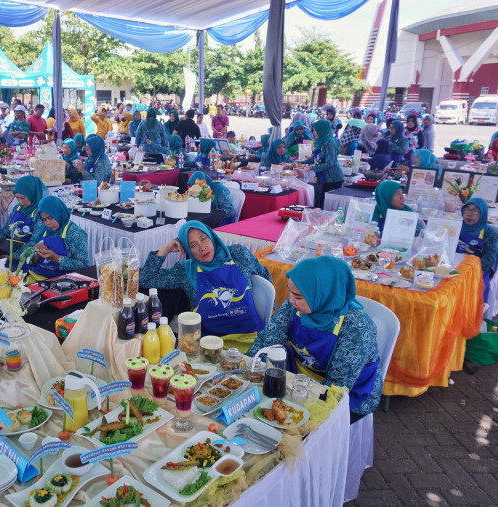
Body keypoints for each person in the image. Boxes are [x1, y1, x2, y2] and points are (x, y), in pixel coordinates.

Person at [247, 256, 383, 419]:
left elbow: (337, 388)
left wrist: (295, 400)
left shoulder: (357, 326)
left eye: (298, 296)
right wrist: (250, 369)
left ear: (323, 294)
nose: (291, 300)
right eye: (290, 292)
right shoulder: (294, 306)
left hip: (349, 391)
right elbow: (267, 340)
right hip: (301, 375)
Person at [141, 221, 272, 351]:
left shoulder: (239, 254)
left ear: (211, 235)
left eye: (203, 238)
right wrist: (166, 249)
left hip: (251, 339)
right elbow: (145, 279)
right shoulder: (185, 271)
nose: (202, 247)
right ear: (187, 250)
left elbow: (264, 274)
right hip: (209, 345)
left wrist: (272, 308)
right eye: (193, 245)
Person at [25, 194, 89, 282]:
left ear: (58, 213)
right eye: (44, 219)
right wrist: (36, 255)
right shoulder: (43, 229)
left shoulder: (74, 233)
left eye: (50, 218)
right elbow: (30, 259)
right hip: (36, 277)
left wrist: (57, 259)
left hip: (62, 282)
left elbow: (83, 265)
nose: (48, 223)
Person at [0, 175, 48, 258]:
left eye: (23, 198)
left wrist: (13, 257)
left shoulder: (41, 214)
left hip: (25, 256)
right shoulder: (18, 208)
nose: (20, 201)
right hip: (7, 250)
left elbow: (34, 242)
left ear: (32, 195)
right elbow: (5, 230)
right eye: (17, 198)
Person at [458, 198, 498, 302]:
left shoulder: (490, 234)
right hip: (451, 270)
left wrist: (467, 271)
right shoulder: (455, 227)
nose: (469, 214)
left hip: (475, 274)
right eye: (467, 209)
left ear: (483, 213)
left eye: (475, 210)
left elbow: (488, 260)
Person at [302, 119, 343, 208]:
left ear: (322, 130)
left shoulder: (329, 142)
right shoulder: (321, 141)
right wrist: (301, 163)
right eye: (313, 131)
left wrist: (313, 168)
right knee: (321, 204)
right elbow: (315, 157)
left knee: (326, 206)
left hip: (333, 179)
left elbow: (330, 163)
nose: (314, 133)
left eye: (315, 130)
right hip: (325, 178)